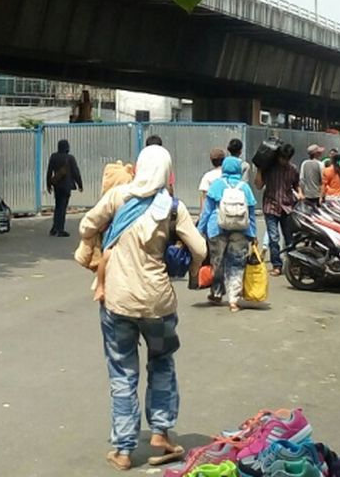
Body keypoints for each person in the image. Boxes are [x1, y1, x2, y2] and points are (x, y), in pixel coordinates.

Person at [79, 145, 207, 471]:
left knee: (122, 373)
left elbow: (85, 226)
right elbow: (200, 248)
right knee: (162, 364)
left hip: (117, 301)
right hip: (158, 303)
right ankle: (161, 434)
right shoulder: (173, 208)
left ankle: (123, 450)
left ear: (138, 167)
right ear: (166, 172)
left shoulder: (118, 196)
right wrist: (191, 271)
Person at [198, 156, 258, 312]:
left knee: (217, 263)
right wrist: (253, 234)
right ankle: (233, 300)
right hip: (240, 230)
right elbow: (251, 214)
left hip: (216, 228)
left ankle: (217, 293)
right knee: (236, 265)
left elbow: (207, 210)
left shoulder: (217, 185)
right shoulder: (245, 187)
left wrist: (200, 230)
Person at [259, 143, 299, 276]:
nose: (284, 161)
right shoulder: (269, 168)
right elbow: (258, 185)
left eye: (286, 159)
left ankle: (292, 264)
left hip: (287, 207)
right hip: (270, 206)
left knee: (289, 238)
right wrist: (259, 169)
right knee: (273, 237)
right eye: (282, 158)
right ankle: (277, 265)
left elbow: (297, 186)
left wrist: (301, 197)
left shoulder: (293, 169)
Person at [46, 139, 83, 237]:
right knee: (62, 208)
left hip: (57, 186)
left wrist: (48, 184)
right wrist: (80, 184)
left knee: (58, 207)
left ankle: (54, 228)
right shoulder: (70, 158)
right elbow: (76, 172)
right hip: (66, 186)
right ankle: (60, 230)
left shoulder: (53, 157)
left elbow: (49, 171)